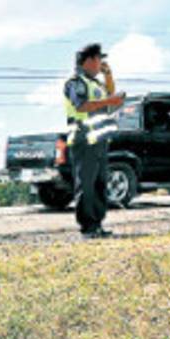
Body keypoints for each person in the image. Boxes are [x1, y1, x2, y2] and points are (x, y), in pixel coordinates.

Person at [64, 43, 125, 238]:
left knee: (99, 184)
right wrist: (109, 101)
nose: (102, 63)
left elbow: (109, 96)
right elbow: (81, 106)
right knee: (86, 184)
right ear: (89, 60)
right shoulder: (75, 82)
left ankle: (97, 224)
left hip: (98, 140)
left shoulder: (96, 83)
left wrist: (108, 75)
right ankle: (87, 228)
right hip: (84, 139)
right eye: (99, 59)